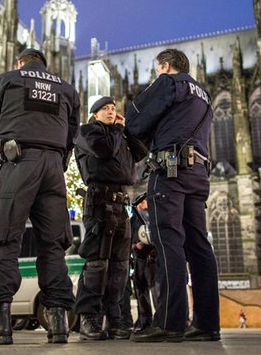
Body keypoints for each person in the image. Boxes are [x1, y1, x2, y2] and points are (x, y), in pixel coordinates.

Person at [0, 48, 80, 345]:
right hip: (54, 167)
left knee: (3, 237)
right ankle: (58, 322)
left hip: (18, 161)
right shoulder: (66, 89)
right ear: (44, 65)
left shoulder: (7, 81)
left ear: (21, 63)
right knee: (54, 243)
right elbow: (73, 133)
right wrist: (59, 160)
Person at [125, 48, 220, 342]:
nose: (157, 75)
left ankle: (169, 321)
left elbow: (135, 120)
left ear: (165, 66)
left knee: (168, 243)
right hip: (198, 174)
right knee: (199, 246)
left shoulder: (168, 83)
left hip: (170, 171)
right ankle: (206, 323)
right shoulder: (203, 93)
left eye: (157, 70)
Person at [72, 96, 148, 341]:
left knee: (119, 266)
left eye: (114, 109)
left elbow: (141, 151)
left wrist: (125, 130)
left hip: (121, 204)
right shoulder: (87, 132)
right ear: (94, 114)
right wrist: (116, 129)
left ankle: (115, 318)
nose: (111, 112)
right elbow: (103, 151)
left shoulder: (118, 135)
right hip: (99, 203)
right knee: (97, 264)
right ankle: (88, 317)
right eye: (105, 109)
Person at [130, 198, 157, 332]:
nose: (140, 205)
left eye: (143, 202)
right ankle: (145, 321)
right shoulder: (136, 216)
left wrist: (140, 243)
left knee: (152, 289)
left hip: (148, 257)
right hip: (140, 258)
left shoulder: (147, 214)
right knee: (142, 290)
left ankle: (150, 321)